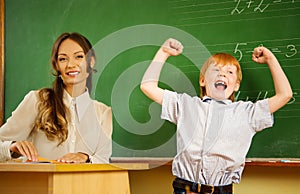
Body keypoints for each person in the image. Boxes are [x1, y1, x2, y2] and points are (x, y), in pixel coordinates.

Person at [140, 38, 292, 194]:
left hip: (222, 190)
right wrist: (163, 53)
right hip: (184, 189)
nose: (222, 74)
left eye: (229, 72)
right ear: (202, 80)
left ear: (236, 86)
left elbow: (285, 95)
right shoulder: (185, 105)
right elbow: (147, 86)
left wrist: (271, 60)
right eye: (216, 70)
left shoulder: (247, 113)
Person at [0, 32, 112, 163]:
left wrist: (86, 157)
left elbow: (103, 159)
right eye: (63, 59)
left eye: (79, 57)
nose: (71, 64)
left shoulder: (103, 113)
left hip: (86, 183)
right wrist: (11, 147)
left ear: (91, 62)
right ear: (57, 66)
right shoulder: (38, 100)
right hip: (40, 182)